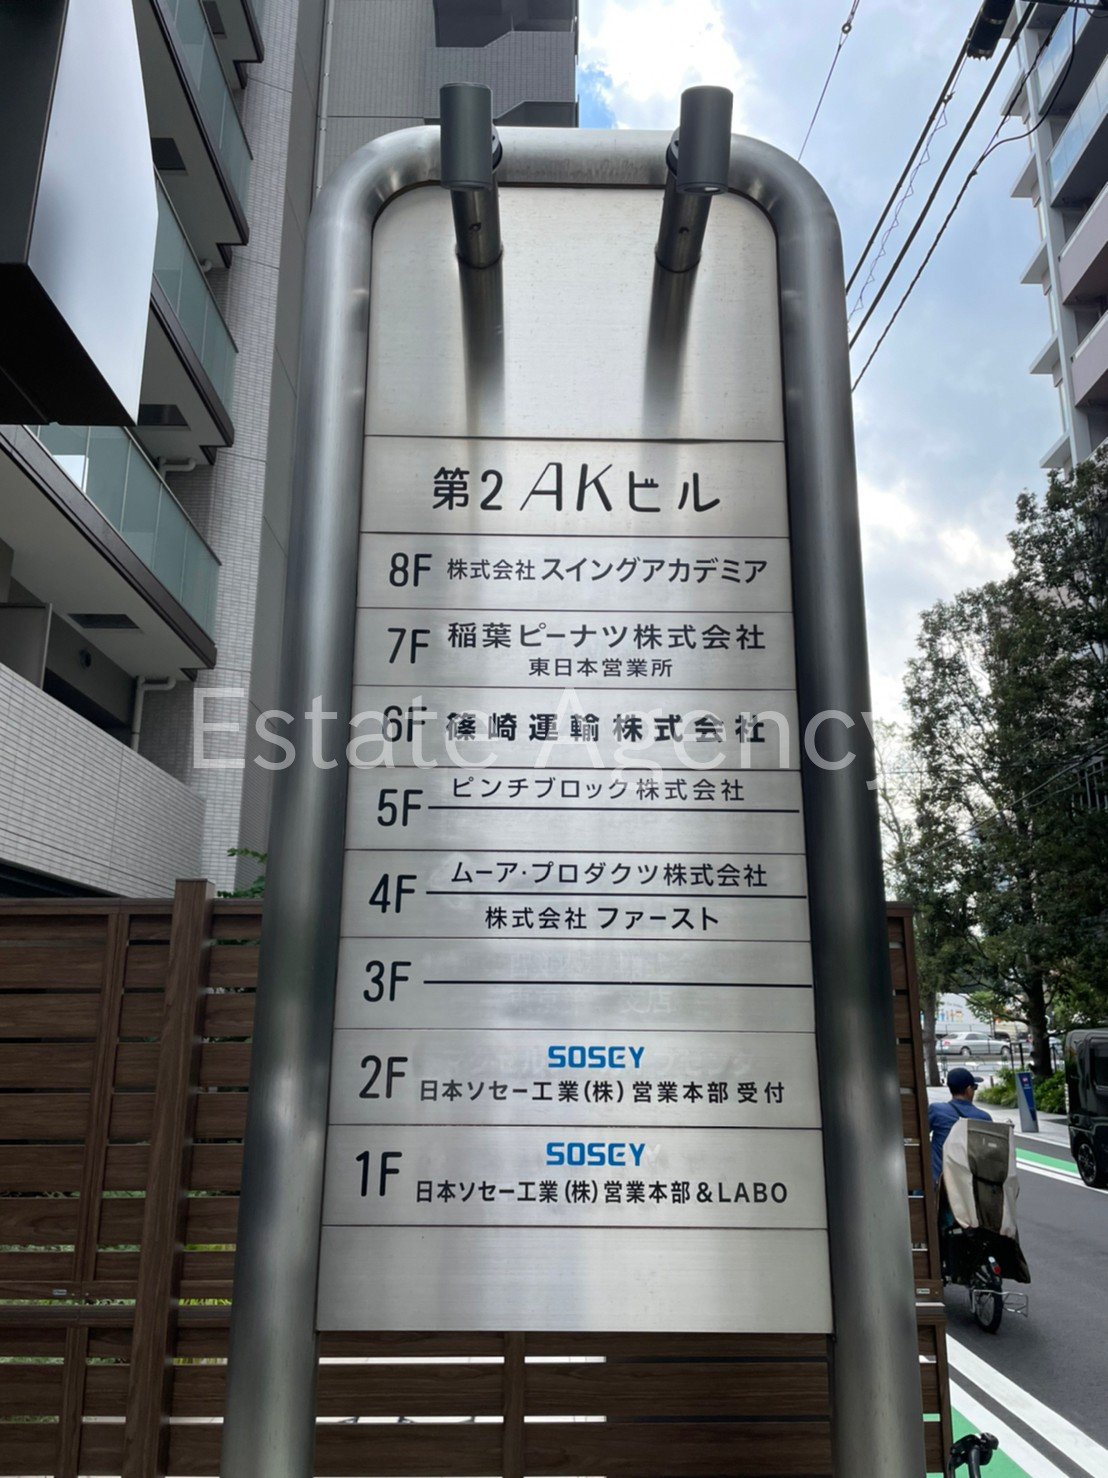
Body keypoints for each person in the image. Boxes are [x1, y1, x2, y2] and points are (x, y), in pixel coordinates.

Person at [929, 1066, 992, 1186]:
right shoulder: (984, 1117)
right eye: (975, 1087)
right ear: (968, 1090)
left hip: (939, 1183)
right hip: (969, 1185)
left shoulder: (936, 1110)